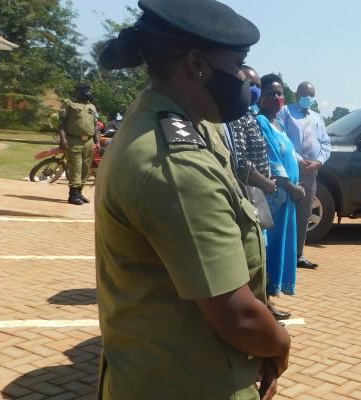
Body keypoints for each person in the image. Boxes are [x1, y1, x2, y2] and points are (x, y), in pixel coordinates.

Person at [94, 0, 290, 398]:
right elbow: (238, 317)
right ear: (198, 65)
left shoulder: (166, 122)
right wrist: (279, 345)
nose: (244, 80)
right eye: (237, 64)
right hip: (190, 383)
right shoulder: (176, 166)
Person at [225, 66, 295, 321]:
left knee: (260, 249)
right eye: (250, 85)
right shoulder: (235, 117)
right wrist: (265, 182)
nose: (253, 90)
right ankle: (258, 306)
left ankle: (264, 302)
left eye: (256, 85)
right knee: (256, 250)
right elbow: (241, 162)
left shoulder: (247, 116)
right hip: (250, 192)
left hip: (258, 192)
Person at [256, 73, 305, 314]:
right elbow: (273, 159)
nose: (277, 98)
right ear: (261, 98)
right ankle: (264, 299)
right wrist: (292, 186)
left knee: (281, 246)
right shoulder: (261, 123)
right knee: (268, 247)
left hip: (288, 200)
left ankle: (269, 296)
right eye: (271, 94)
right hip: (275, 197)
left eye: (280, 94)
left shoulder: (279, 124)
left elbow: (289, 154)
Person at [279, 81, 331, 269]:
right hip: (291, 169)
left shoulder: (317, 117)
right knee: (285, 212)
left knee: (304, 215)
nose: (308, 98)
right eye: (305, 94)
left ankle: (298, 255)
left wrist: (319, 162)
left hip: (311, 172)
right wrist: (299, 159)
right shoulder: (285, 112)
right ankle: (282, 254)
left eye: (311, 95)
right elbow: (282, 139)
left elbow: (325, 143)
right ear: (297, 93)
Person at [58, 82, 98, 205]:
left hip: (89, 142)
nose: (88, 93)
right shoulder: (70, 104)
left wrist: (97, 141)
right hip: (74, 140)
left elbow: (95, 125)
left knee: (86, 168)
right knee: (76, 167)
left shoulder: (92, 106)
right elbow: (61, 123)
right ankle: (72, 195)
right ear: (79, 92)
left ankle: (79, 193)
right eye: (86, 91)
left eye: (89, 91)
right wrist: (63, 139)